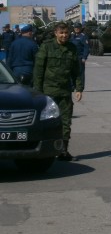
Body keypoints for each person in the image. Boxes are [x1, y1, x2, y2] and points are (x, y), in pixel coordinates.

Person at [33, 22, 83, 161]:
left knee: (66, 122)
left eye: (66, 33)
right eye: (61, 33)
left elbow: (76, 71)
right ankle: (42, 151)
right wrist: (37, 92)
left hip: (64, 91)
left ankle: (63, 150)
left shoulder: (72, 48)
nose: (64, 35)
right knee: (46, 122)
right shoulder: (47, 47)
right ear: (56, 33)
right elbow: (38, 71)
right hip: (48, 92)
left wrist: (79, 88)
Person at [70, 22, 90, 88]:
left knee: (80, 72)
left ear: (80, 28)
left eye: (78, 28)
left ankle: (80, 86)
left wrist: (84, 57)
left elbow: (86, 48)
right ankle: (73, 86)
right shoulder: (72, 36)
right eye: (75, 28)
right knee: (72, 72)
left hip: (80, 57)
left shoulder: (83, 36)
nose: (76, 29)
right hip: (72, 57)